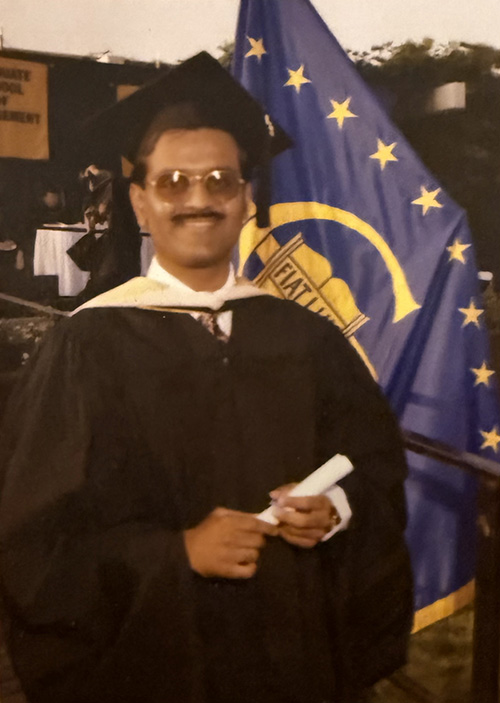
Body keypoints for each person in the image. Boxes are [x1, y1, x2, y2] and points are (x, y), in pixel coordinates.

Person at [0, 52, 412, 703]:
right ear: (140, 203)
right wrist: (177, 554)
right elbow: (35, 543)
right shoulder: (86, 345)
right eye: (172, 182)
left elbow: (376, 465)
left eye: (220, 180)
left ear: (247, 198)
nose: (198, 199)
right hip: (151, 668)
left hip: (294, 659)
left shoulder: (306, 338)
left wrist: (336, 508)